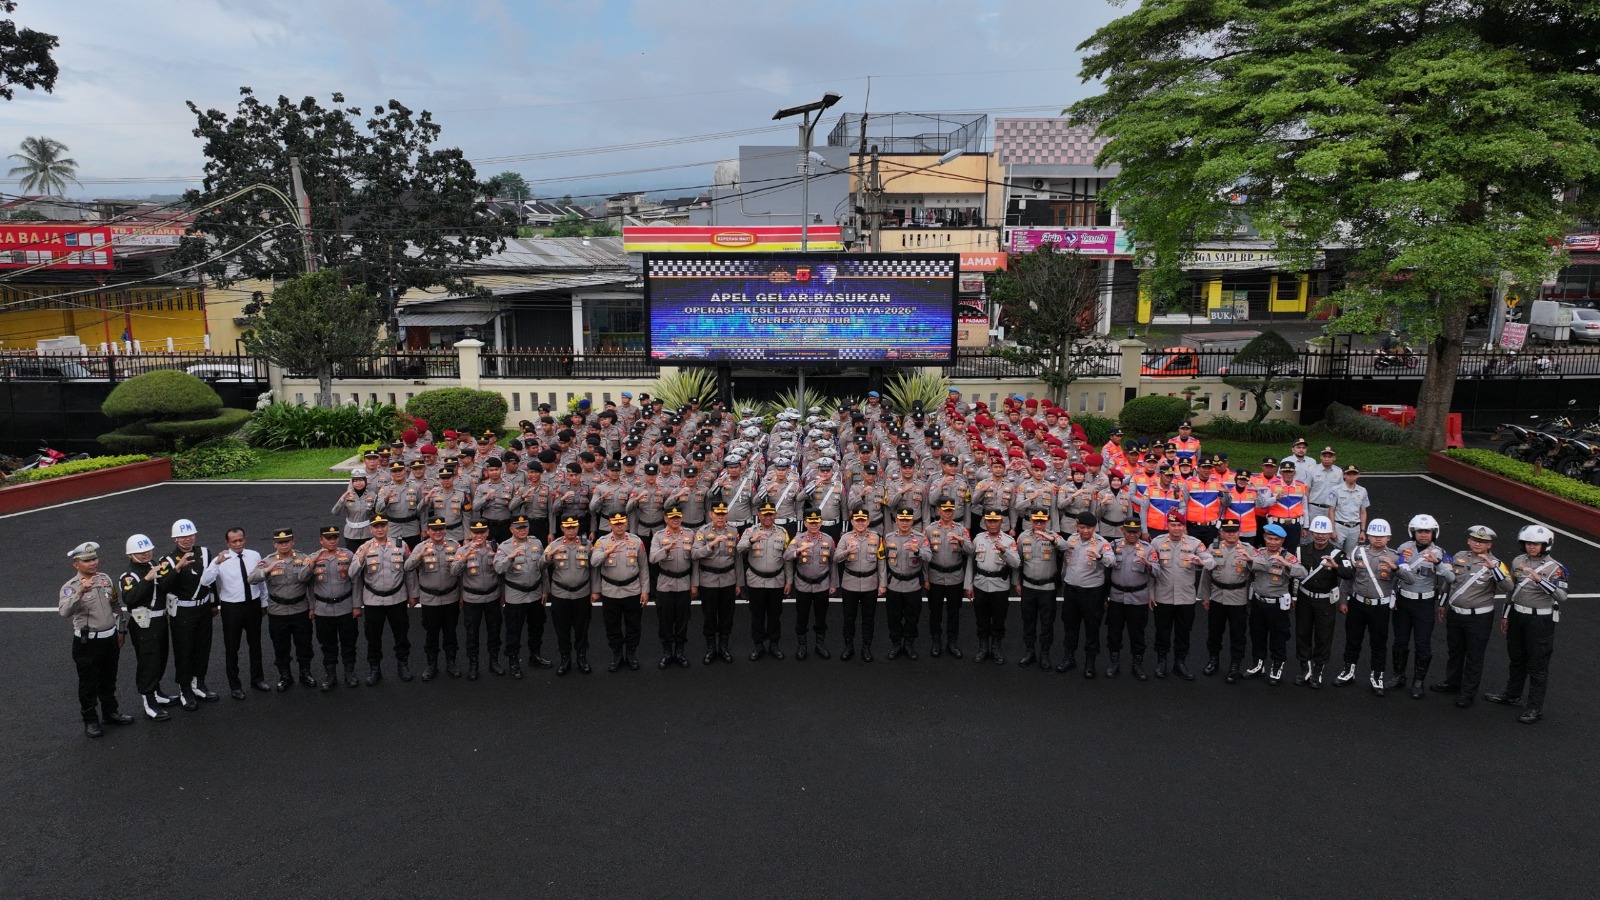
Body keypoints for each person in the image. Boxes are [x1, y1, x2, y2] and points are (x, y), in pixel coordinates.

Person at [1484, 524, 1567, 724]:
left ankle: (1534, 708)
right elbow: (1511, 590)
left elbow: (1562, 596)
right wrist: (1506, 615)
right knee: (1517, 658)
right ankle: (1512, 694)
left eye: (1536, 544)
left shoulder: (1556, 568)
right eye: (1528, 543)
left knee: (1537, 665)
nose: (1531, 546)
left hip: (1540, 620)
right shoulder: (1518, 561)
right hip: (1517, 616)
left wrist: (1540, 581)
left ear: (1546, 545)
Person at [1430, 524, 1509, 707]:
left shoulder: (1497, 564)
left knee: (1474, 655)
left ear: (1489, 545)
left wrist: (1494, 569)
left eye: (1482, 541)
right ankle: (1452, 682)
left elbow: (1508, 587)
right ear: (1468, 541)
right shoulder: (1459, 556)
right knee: (1455, 650)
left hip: (1478, 618)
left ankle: (1468, 693)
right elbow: (1449, 582)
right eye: (1474, 539)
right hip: (1455, 614)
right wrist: (1442, 603)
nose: (1477, 543)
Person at [60, 541, 131, 737]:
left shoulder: (105, 579)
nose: (93, 563)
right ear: (76, 564)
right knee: (88, 684)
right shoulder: (70, 587)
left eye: (94, 558)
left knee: (109, 679)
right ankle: (90, 720)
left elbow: (115, 605)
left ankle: (110, 713)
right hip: (87, 643)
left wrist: (121, 630)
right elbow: (64, 611)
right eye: (87, 560)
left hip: (110, 639)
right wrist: (80, 592)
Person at [202, 527, 269, 701]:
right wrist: (216, 563)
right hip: (232, 608)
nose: (238, 544)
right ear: (227, 543)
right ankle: (235, 686)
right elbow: (205, 581)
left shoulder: (254, 555)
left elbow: (260, 580)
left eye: (240, 540)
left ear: (245, 539)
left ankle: (258, 679)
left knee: (255, 644)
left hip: (253, 605)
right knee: (232, 648)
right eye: (234, 541)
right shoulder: (220, 560)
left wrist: (264, 602)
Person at [1389, 513, 1452, 698]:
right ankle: (1398, 675)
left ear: (1434, 533)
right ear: (1413, 532)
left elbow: (1451, 578)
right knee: (1400, 640)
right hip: (1403, 601)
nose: (1423, 535)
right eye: (1420, 531)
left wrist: (1437, 563)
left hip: (1424, 603)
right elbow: (1396, 574)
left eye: (1427, 532)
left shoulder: (1439, 553)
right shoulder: (1403, 548)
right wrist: (1393, 596)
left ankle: (1418, 681)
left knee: (1422, 643)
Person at [351, 513, 417, 685]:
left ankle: (403, 665)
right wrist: (362, 557)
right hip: (373, 601)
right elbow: (353, 574)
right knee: (373, 637)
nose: (380, 529)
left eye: (383, 526)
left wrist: (413, 594)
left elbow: (409, 571)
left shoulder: (401, 545)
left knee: (401, 635)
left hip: (397, 599)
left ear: (388, 527)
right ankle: (375, 669)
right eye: (376, 526)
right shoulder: (364, 547)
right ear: (371, 529)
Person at [1338, 518, 1400, 696]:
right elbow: (1347, 578)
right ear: (1368, 536)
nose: (1378, 539)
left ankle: (1377, 676)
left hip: (1380, 607)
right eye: (1374, 535)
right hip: (1357, 603)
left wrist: (1396, 569)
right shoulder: (1357, 552)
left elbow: (1406, 580)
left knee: (1379, 643)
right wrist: (1342, 600)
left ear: (1389, 538)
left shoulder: (1395, 557)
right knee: (1352, 639)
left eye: (1382, 536)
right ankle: (1348, 671)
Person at [250, 528, 317, 691]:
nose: (284, 545)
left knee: (304, 644)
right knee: (280, 646)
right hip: (277, 611)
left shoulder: (303, 558)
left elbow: (311, 584)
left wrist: (312, 607)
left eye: (286, 542)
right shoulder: (268, 561)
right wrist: (267, 570)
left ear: (293, 542)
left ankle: (305, 673)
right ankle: (285, 676)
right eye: (280, 543)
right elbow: (251, 579)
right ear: (274, 544)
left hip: (300, 608)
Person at [159, 519, 216, 708]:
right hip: (182, 612)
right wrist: (177, 568)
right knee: (184, 651)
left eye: (190, 535)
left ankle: (198, 683)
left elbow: (211, 579)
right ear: (175, 539)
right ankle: (184, 689)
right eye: (182, 537)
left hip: (203, 608)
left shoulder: (205, 553)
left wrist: (214, 603)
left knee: (203, 647)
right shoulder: (167, 560)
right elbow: (163, 586)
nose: (187, 539)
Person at [118, 534, 174, 720]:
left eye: (148, 550)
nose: (146, 554)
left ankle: (157, 692)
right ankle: (149, 701)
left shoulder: (153, 565)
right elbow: (129, 598)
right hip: (144, 624)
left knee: (161, 658)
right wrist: (147, 580)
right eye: (140, 552)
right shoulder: (129, 575)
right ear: (130, 554)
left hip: (160, 620)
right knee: (148, 662)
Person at [1151, 515, 1213, 681]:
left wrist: (1201, 562)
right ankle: (1161, 661)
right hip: (1163, 596)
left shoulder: (1194, 543)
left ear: (1184, 526)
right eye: (1173, 525)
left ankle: (1180, 663)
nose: (1176, 528)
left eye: (1180, 525)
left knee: (1183, 633)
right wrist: (1150, 594)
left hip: (1185, 597)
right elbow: (1151, 570)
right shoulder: (1157, 542)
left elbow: (1211, 561)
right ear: (1167, 525)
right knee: (1162, 631)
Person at [1293, 517, 1350, 688]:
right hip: (1304, 598)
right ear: (1311, 533)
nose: (1320, 536)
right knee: (1302, 633)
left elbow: (1349, 573)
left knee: (1323, 637)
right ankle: (1305, 668)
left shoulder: (1338, 554)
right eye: (1317, 532)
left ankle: (1318, 669)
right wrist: (1293, 597)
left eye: (1324, 533)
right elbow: (1294, 576)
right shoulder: (1300, 550)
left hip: (1325, 601)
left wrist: (1335, 567)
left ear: (1330, 533)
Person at [405, 517, 464, 680]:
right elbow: (407, 567)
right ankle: (432, 665)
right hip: (430, 599)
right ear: (428, 531)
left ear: (445, 530)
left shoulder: (454, 545)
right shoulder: (421, 547)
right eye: (434, 529)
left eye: (441, 529)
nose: (438, 532)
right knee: (431, 634)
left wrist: (462, 595)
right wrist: (420, 556)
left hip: (451, 597)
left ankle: (451, 663)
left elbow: (461, 573)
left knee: (450, 632)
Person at [1247, 523, 1306, 684]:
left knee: (1278, 638)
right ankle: (1258, 665)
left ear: (1282, 541)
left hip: (1277, 605)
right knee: (1257, 635)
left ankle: (1276, 667)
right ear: (1264, 538)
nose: (1272, 542)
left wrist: (1287, 565)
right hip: (1258, 602)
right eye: (1270, 538)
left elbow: (1303, 573)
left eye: (1276, 539)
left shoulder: (1288, 556)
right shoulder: (1258, 553)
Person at [1061, 512, 1115, 677]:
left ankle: (1090, 662)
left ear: (1095, 527)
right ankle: (1069, 657)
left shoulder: (1102, 543)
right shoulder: (1071, 540)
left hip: (1092, 593)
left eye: (1089, 528)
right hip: (1071, 590)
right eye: (1082, 527)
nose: (1085, 531)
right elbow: (1065, 565)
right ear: (1077, 526)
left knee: (1092, 628)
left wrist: (1099, 557)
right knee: (1070, 626)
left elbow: (1111, 561)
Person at [496, 515, 550, 678]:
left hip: (535, 593)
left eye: (525, 527)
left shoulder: (536, 543)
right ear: (511, 529)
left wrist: (545, 590)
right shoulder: (504, 547)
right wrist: (510, 557)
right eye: (518, 528)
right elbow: (499, 569)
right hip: (515, 595)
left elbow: (542, 568)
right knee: (514, 630)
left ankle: (535, 655)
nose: (522, 530)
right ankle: (513, 660)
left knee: (537, 627)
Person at [592, 512, 648, 672]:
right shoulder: (602, 542)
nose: (619, 526)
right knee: (612, 626)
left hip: (632, 590)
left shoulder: (636, 541)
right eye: (615, 523)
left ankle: (631, 653)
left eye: (622, 522)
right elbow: (594, 562)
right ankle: (617, 654)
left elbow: (644, 567)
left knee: (633, 625)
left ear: (627, 523)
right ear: (609, 524)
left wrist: (645, 590)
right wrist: (607, 553)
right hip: (610, 591)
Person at [307, 525, 361, 691]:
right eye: (328, 538)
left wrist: (357, 605)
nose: (332, 541)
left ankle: (349, 673)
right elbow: (305, 581)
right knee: (327, 645)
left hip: (345, 607)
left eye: (335, 538)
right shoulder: (313, 557)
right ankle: (330, 676)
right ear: (321, 540)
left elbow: (356, 581)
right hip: (323, 609)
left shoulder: (348, 555)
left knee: (349, 642)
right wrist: (312, 607)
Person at [1202, 519, 1255, 683]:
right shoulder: (1213, 548)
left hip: (1238, 597)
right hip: (1217, 595)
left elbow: (1255, 575)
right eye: (1227, 531)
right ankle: (1213, 660)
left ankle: (1235, 666)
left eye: (1234, 531)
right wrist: (1205, 596)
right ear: (1221, 533)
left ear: (1239, 532)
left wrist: (1250, 600)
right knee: (1214, 632)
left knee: (1238, 634)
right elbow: (1206, 574)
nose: (1231, 534)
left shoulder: (1248, 549)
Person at [1015, 509, 1066, 670]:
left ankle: (1044, 653)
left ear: (1047, 521)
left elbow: (1065, 546)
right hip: (1028, 586)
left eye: (1042, 521)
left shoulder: (1053, 536)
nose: (1038, 524)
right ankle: (1030, 651)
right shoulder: (1023, 537)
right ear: (1030, 521)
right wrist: (1017, 583)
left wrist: (1052, 539)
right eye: (1036, 520)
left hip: (1047, 588)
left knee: (1047, 623)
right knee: (1028, 621)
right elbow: (1018, 561)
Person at [740, 503, 792, 660]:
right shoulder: (750, 531)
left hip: (776, 580)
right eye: (765, 514)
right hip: (756, 580)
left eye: (771, 514)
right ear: (759, 515)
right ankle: (758, 645)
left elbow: (787, 558)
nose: (768, 517)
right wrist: (752, 540)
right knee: (757, 615)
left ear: (775, 515)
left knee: (775, 615)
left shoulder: (783, 532)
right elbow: (739, 548)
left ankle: (774, 644)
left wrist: (789, 581)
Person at [967, 510, 1019, 664]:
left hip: (1000, 586)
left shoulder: (1009, 541)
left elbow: (1016, 563)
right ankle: (983, 648)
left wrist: (1005, 552)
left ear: (1001, 522)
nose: (992, 524)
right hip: (980, 583)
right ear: (985, 522)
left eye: (995, 521)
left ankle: (996, 648)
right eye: (989, 521)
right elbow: (970, 562)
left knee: (999, 619)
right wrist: (968, 585)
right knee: (981, 619)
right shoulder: (978, 538)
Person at [545, 516, 595, 675]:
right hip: (560, 594)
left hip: (582, 593)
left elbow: (594, 569)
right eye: (568, 527)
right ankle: (565, 658)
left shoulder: (587, 544)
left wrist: (595, 590)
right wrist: (549, 555)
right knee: (562, 628)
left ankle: (582, 657)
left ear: (578, 527)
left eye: (574, 527)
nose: (571, 530)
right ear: (562, 528)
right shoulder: (554, 545)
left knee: (582, 628)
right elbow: (540, 565)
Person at [1104, 520, 1153, 680]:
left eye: (1136, 531)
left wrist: (1149, 565)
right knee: (1114, 632)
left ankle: (1137, 664)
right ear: (1122, 530)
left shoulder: (1148, 549)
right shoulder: (1113, 546)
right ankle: (1114, 663)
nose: (1132, 535)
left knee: (1137, 633)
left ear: (1140, 532)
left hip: (1138, 598)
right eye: (1129, 531)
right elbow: (1105, 570)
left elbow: (1158, 572)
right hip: (1116, 597)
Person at [693, 502, 741, 664]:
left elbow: (737, 559)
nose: (720, 517)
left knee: (727, 615)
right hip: (708, 580)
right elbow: (695, 555)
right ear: (711, 514)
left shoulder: (733, 531)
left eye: (723, 514)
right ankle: (711, 648)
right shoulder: (703, 532)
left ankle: (723, 647)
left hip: (728, 579)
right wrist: (711, 545)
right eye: (717, 514)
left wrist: (739, 582)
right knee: (709, 616)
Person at [836, 509, 887, 661]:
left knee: (868, 619)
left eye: (863, 520)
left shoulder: (876, 538)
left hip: (870, 584)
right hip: (850, 583)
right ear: (852, 522)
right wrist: (847, 552)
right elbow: (836, 558)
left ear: (868, 522)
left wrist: (882, 584)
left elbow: (881, 562)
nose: (860, 523)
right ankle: (848, 646)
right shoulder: (845, 538)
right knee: (848, 618)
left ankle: (866, 648)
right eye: (857, 520)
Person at [923, 499, 972, 658]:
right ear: (938, 511)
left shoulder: (961, 529)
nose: (947, 513)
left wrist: (962, 541)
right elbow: (924, 556)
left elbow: (971, 551)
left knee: (954, 612)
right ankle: (936, 641)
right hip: (935, 576)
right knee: (935, 612)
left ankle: (952, 642)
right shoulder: (929, 530)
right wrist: (925, 579)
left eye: (950, 510)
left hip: (955, 577)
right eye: (945, 510)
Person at [458, 521, 505, 679]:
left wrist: (503, 593)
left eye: (482, 532)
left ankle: (494, 661)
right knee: (472, 633)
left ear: (487, 532)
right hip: (472, 598)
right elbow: (454, 572)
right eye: (476, 532)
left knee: (494, 631)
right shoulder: (462, 549)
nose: (479, 535)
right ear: (470, 533)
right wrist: (466, 556)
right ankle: (473, 664)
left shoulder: (495, 548)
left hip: (492, 596)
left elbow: (501, 574)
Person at [786, 511, 836, 660]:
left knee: (821, 617)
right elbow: (786, 556)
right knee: (802, 616)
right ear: (805, 523)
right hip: (803, 585)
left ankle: (820, 645)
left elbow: (833, 563)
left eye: (816, 522)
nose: (814, 525)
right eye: (811, 522)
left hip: (822, 584)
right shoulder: (798, 539)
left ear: (820, 523)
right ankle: (802, 645)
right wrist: (798, 551)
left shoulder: (828, 539)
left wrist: (833, 583)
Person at [649, 507, 695, 668]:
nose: (675, 520)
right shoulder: (658, 536)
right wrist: (665, 549)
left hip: (684, 582)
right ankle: (667, 652)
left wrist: (694, 584)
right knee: (665, 621)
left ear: (681, 518)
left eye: (678, 517)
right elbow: (652, 558)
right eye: (672, 517)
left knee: (683, 620)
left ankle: (680, 652)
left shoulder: (690, 534)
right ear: (665, 519)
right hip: (665, 584)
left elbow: (695, 561)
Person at [882, 508, 930, 660]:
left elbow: (929, 556)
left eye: (907, 520)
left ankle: (909, 643)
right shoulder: (888, 538)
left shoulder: (920, 538)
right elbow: (882, 562)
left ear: (912, 521)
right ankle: (896, 644)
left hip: (913, 584)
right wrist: (883, 583)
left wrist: (918, 551)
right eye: (901, 520)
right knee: (893, 617)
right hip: (894, 584)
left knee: (912, 616)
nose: (904, 522)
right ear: (896, 521)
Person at [1328, 464, 1370, 555]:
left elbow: (1363, 512)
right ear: (1344, 475)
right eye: (1349, 474)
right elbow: (1331, 510)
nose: (1351, 477)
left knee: (1351, 555)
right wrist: (1332, 530)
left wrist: (1363, 531)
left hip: (1355, 528)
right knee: (1334, 554)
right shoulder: (1336, 490)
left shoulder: (1362, 491)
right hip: (1340, 526)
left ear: (1358, 475)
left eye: (1354, 474)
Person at [333, 472, 376, 551]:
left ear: (365, 481)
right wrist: (342, 498)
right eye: (355, 481)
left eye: (361, 480)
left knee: (369, 556)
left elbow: (378, 512)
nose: (358, 483)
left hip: (368, 533)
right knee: (352, 557)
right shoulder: (347, 495)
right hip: (351, 534)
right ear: (352, 482)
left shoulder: (372, 495)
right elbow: (335, 512)